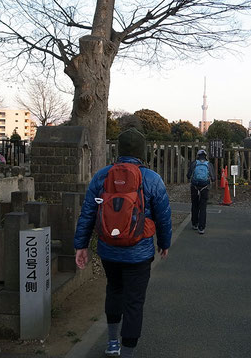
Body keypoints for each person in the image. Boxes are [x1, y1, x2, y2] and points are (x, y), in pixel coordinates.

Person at [74, 128, 172, 358]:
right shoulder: (152, 179)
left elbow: (88, 212)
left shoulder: (102, 176)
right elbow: (164, 216)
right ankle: (127, 352)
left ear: (119, 151)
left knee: (114, 291)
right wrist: (164, 243)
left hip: (109, 250)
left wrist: (81, 245)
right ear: (142, 152)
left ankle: (111, 343)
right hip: (139, 253)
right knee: (134, 302)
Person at [186, 149, 216, 234]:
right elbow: (213, 178)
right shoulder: (209, 164)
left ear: (197, 156)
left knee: (194, 205)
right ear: (205, 156)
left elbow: (188, 175)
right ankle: (201, 227)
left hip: (194, 186)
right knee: (203, 207)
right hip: (205, 187)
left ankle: (195, 224)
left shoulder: (194, 163)